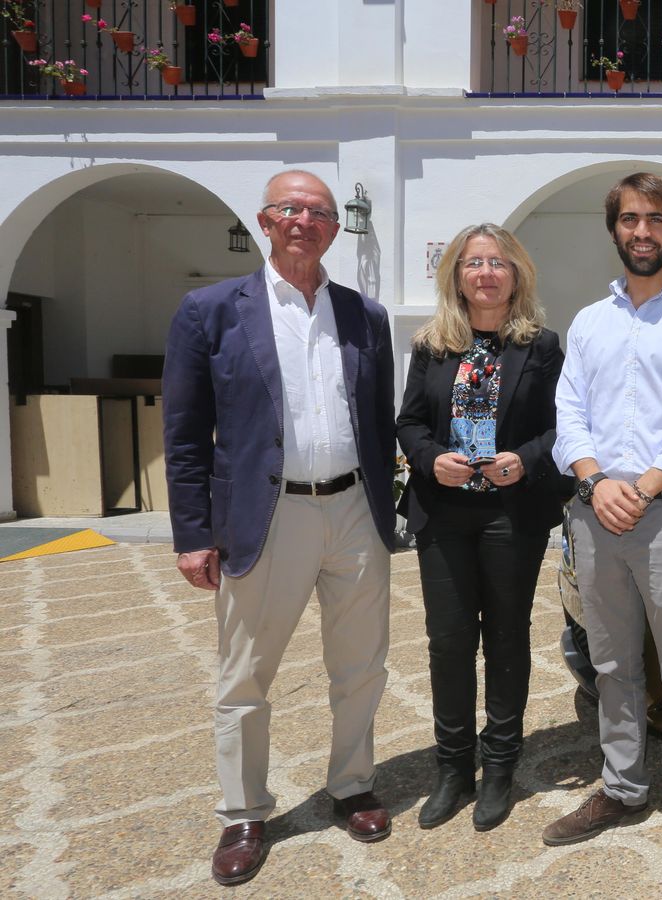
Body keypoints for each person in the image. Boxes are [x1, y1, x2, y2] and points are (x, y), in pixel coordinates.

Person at [162, 170, 397, 886]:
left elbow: (378, 417)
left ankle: (351, 784)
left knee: (361, 664)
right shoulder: (210, 310)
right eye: (290, 209)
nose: (305, 221)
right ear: (265, 220)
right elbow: (184, 433)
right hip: (265, 516)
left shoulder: (365, 314)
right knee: (244, 676)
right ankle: (243, 810)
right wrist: (193, 533)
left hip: (355, 509)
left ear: (334, 228)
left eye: (319, 212)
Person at [543, 172, 662, 887]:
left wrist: (642, 488)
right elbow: (571, 415)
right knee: (612, 664)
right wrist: (596, 482)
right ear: (614, 229)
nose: (643, 231)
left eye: (656, 219)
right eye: (630, 218)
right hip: (596, 514)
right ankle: (622, 788)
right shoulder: (591, 322)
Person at [396, 224, 567, 831]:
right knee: (447, 642)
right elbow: (410, 421)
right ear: (457, 276)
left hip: (509, 512)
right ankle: (451, 770)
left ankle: (498, 769)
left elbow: (561, 426)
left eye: (498, 262)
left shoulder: (542, 346)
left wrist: (526, 457)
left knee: (505, 639)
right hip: (444, 514)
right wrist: (426, 457)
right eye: (474, 263)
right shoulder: (434, 345)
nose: (486, 273)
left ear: (516, 274)